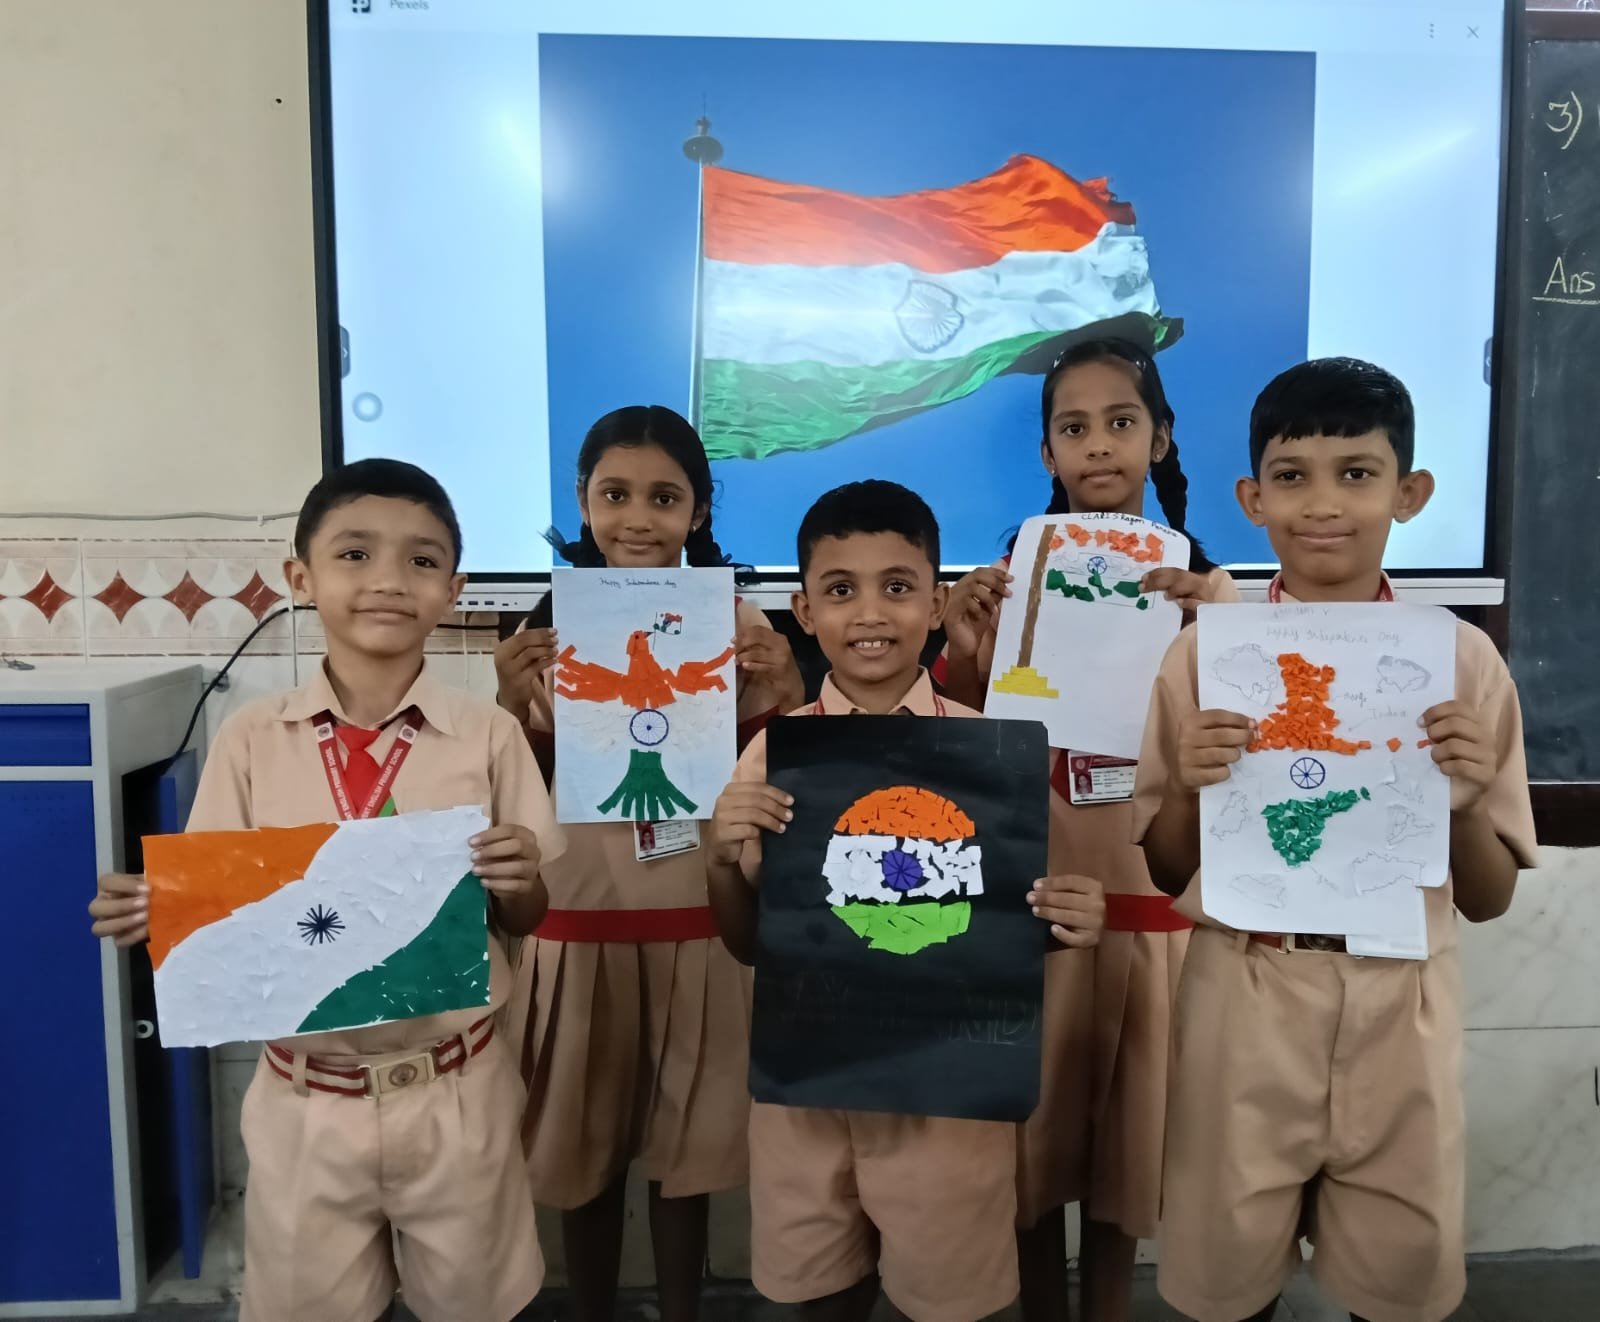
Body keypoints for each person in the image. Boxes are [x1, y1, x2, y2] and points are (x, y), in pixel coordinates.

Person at [88, 459, 562, 1322]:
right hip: (305, 1098)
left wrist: (521, 877)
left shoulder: (487, 735)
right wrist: (161, 913)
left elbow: (526, 915)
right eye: (354, 554)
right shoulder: (250, 739)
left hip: (456, 1088)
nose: (389, 579)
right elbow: (219, 914)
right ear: (300, 577)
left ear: (453, 590)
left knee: (477, 1304)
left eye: (423, 561)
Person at [1135, 358, 1537, 1322]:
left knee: (1398, 1278)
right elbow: (1166, 864)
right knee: (1223, 1275)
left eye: (1357, 474)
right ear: (1252, 498)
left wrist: (1464, 803)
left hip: (1404, 993)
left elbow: (1489, 897)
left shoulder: (1463, 661)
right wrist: (1188, 785)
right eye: (1292, 476)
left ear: (1410, 493)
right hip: (1245, 983)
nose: (1323, 504)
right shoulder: (1203, 658)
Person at [705, 480, 1107, 1322]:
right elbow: (747, 943)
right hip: (810, 1092)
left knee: (952, 1299)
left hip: (948, 1097)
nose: (870, 613)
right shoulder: (775, 755)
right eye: (839, 589)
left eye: (897, 586)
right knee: (816, 1295)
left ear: (936, 603)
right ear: (803, 612)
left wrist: (1068, 921)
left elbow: (1011, 928)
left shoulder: (992, 755)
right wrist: (720, 859)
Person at [936, 337, 1239, 1322]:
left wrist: (1224, 633)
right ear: (1047, 451)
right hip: (1035, 894)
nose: (1098, 444)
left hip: (1151, 895)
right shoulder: (1006, 580)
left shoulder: (1206, 588)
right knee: (1032, 1145)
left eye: (1121, 422)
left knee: (1128, 1154)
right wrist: (964, 648)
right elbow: (956, 741)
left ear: (1161, 437)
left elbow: (1246, 744)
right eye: (1074, 427)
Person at [493, 405, 804, 1322]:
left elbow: (763, 775)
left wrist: (782, 691)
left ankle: (680, 1310)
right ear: (583, 501)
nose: (638, 518)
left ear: (699, 511)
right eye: (615, 495)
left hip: (697, 917)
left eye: (664, 498)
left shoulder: (736, 622)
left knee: (686, 1160)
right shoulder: (548, 624)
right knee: (582, 1158)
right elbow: (523, 785)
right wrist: (509, 705)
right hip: (579, 917)